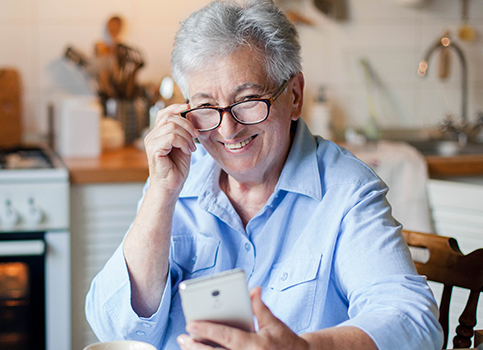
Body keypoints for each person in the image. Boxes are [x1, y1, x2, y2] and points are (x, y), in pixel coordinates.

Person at [85, 1, 443, 349]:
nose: (227, 130)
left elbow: (412, 319)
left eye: (248, 100)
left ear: (296, 95)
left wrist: (303, 349)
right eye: (206, 107)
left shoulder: (346, 191)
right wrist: (160, 193)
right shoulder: (175, 178)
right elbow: (117, 329)